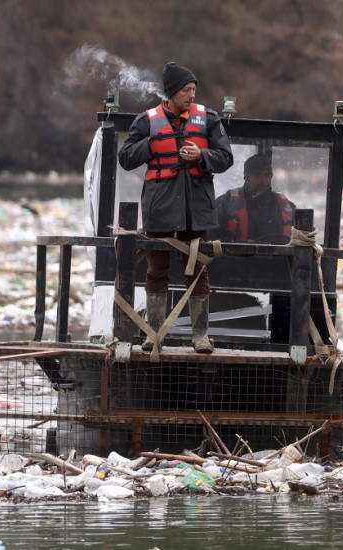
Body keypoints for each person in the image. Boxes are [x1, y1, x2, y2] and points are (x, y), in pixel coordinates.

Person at [118, 62, 233, 354]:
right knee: (157, 270)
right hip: (160, 209)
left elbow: (225, 158)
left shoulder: (209, 118)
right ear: (170, 93)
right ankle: (152, 334)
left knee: (197, 270)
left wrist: (201, 154)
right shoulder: (146, 121)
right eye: (186, 90)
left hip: (197, 210)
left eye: (194, 89)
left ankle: (201, 337)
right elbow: (126, 158)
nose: (191, 95)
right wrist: (150, 144)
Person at [215, 154, 296, 244]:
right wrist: (240, 245)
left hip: (280, 256)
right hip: (237, 257)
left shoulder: (287, 207)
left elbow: (302, 239)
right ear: (246, 178)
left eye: (266, 175)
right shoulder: (226, 202)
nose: (262, 180)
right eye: (257, 175)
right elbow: (213, 237)